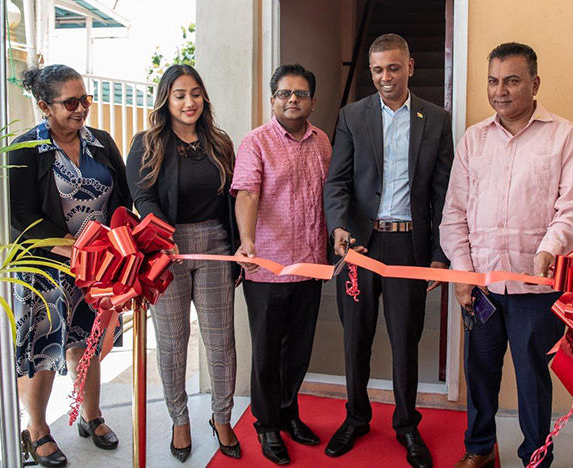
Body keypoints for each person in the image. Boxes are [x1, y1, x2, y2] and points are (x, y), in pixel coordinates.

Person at [439, 42, 573, 468]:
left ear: (535, 83)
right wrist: (464, 274)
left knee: (531, 379)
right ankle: (481, 450)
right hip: (483, 287)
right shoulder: (474, 139)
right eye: (493, 80)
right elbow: (454, 212)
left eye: (511, 80)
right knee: (480, 373)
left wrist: (549, 250)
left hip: (535, 287)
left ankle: (535, 457)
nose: (500, 91)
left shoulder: (564, 137)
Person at [323, 33, 454, 468]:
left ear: (411, 67)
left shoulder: (435, 119)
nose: (385, 77)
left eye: (393, 68)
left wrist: (438, 252)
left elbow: (443, 193)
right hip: (360, 244)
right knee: (356, 335)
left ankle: (406, 424)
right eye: (377, 70)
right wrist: (339, 227)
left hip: (408, 245)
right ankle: (356, 418)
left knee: (404, 339)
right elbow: (337, 182)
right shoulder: (351, 116)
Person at [9, 64, 131, 467]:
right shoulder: (27, 148)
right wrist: (71, 246)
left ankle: (91, 415)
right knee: (44, 346)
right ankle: (38, 429)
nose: (82, 109)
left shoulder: (101, 142)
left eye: (86, 99)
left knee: (89, 340)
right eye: (71, 102)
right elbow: (22, 216)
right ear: (45, 106)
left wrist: (112, 243)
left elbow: (121, 199)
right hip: (46, 266)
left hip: (95, 263)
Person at [125, 64, 241, 462]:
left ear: (203, 97)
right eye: (179, 95)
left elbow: (234, 198)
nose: (189, 102)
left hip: (214, 247)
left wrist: (240, 249)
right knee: (173, 344)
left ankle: (222, 418)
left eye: (195, 93)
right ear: (166, 100)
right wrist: (161, 237)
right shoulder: (148, 143)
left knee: (220, 342)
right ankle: (179, 420)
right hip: (166, 250)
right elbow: (142, 197)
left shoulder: (220, 143)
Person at [231, 63, 332, 465]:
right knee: (268, 353)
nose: (293, 100)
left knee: (299, 350)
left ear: (312, 100)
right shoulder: (255, 142)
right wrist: (248, 240)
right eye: (285, 93)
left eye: (301, 94)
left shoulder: (322, 141)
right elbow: (247, 194)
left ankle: (289, 413)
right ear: (272, 99)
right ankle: (267, 424)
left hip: (311, 265)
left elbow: (331, 194)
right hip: (267, 267)